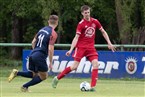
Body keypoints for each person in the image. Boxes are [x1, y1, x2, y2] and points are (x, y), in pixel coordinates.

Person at [52, 5, 116, 92]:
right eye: (85, 13)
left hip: (91, 48)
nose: (87, 14)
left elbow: (103, 32)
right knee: (74, 67)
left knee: (96, 64)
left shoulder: (95, 21)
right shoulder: (81, 24)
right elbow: (76, 38)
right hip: (81, 48)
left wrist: (109, 43)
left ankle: (92, 87)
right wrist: (71, 49)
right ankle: (57, 78)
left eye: (88, 12)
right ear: (82, 13)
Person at [8, 15, 59, 92]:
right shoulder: (53, 33)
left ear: (48, 21)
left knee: (34, 74)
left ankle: (17, 73)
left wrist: (35, 51)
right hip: (40, 56)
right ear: (57, 23)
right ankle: (25, 87)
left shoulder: (41, 30)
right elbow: (50, 49)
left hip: (33, 53)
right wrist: (51, 62)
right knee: (44, 76)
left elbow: (33, 42)